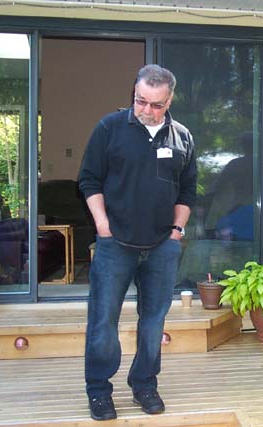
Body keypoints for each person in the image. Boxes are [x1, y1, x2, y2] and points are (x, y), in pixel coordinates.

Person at [78, 64, 197, 421]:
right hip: (115, 244)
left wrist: (176, 232)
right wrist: (103, 226)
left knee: (153, 323)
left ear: (169, 101)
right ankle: (99, 390)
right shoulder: (110, 128)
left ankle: (144, 383)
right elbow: (89, 180)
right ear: (134, 93)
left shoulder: (182, 137)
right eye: (140, 100)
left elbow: (188, 190)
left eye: (155, 104)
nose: (146, 109)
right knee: (103, 322)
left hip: (162, 246)